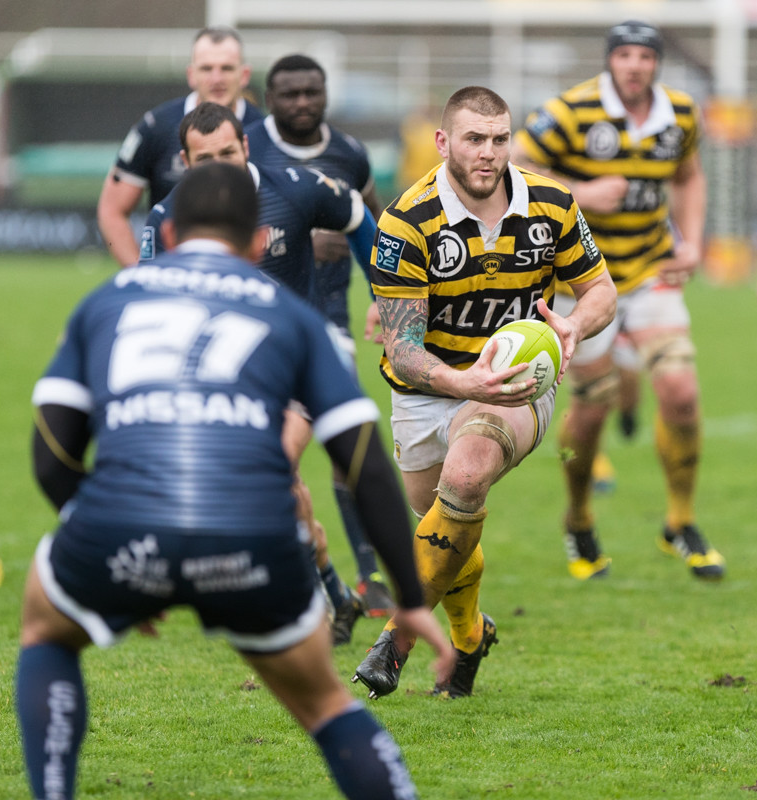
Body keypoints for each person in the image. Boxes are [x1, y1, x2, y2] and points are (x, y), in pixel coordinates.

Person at [16, 161, 454, 800]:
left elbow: (52, 452)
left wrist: (116, 544)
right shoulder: (296, 319)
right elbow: (361, 462)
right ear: (258, 245)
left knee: (46, 629)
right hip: (252, 539)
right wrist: (411, 601)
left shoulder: (106, 302)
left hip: (119, 533)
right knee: (327, 705)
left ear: (165, 238)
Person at [352, 86, 616, 700]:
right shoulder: (406, 221)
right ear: (444, 142)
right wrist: (460, 380)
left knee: (466, 477)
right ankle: (470, 635)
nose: (488, 153)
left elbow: (600, 289)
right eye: (474, 139)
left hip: (515, 387)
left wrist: (575, 324)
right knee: (446, 528)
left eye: (500, 140)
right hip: (427, 391)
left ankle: (397, 638)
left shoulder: (551, 203)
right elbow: (403, 349)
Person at [139, 101, 376, 645]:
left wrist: (387, 297)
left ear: (245, 147)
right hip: (228, 378)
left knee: (271, 469)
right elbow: (150, 299)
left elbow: (361, 220)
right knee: (284, 487)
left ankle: (306, 611)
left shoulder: (293, 188)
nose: (219, 165)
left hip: (298, 367)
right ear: (184, 161)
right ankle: (334, 589)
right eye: (205, 159)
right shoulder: (166, 218)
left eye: (228, 152)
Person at [514, 20, 723, 581]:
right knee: (593, 407)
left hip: (651, 269)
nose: (635, 65)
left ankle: (679, 521)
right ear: (610, 61)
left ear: (657, 64)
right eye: (625, 55)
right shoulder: (569, 111)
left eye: (645, 56)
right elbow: (513, 166)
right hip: (579, 282)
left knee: (681, 392)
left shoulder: (679, 114)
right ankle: (579, 518)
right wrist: (581, 194)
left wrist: (694, 241)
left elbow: (689, 175)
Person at [245, 54, 395, 617]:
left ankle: (368, 574)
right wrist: (303, 238)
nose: (302, 103)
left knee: (339, 444)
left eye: (312, 92)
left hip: (326, 317)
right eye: (290, 94)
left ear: (326, 93)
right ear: (269, 97)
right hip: (257, 324)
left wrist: (384, 296)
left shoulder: (350, 154)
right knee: (271, 454)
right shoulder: (244, 149)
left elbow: (373, 223)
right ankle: (301, 568)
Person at [96, 26, 263, 267]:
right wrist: (141, 274)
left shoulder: (266, 129)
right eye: (206, 68)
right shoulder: (156, 127)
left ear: (245, 74)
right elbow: (112, 210)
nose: (217, 79)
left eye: (226, 68)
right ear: (191, 74)